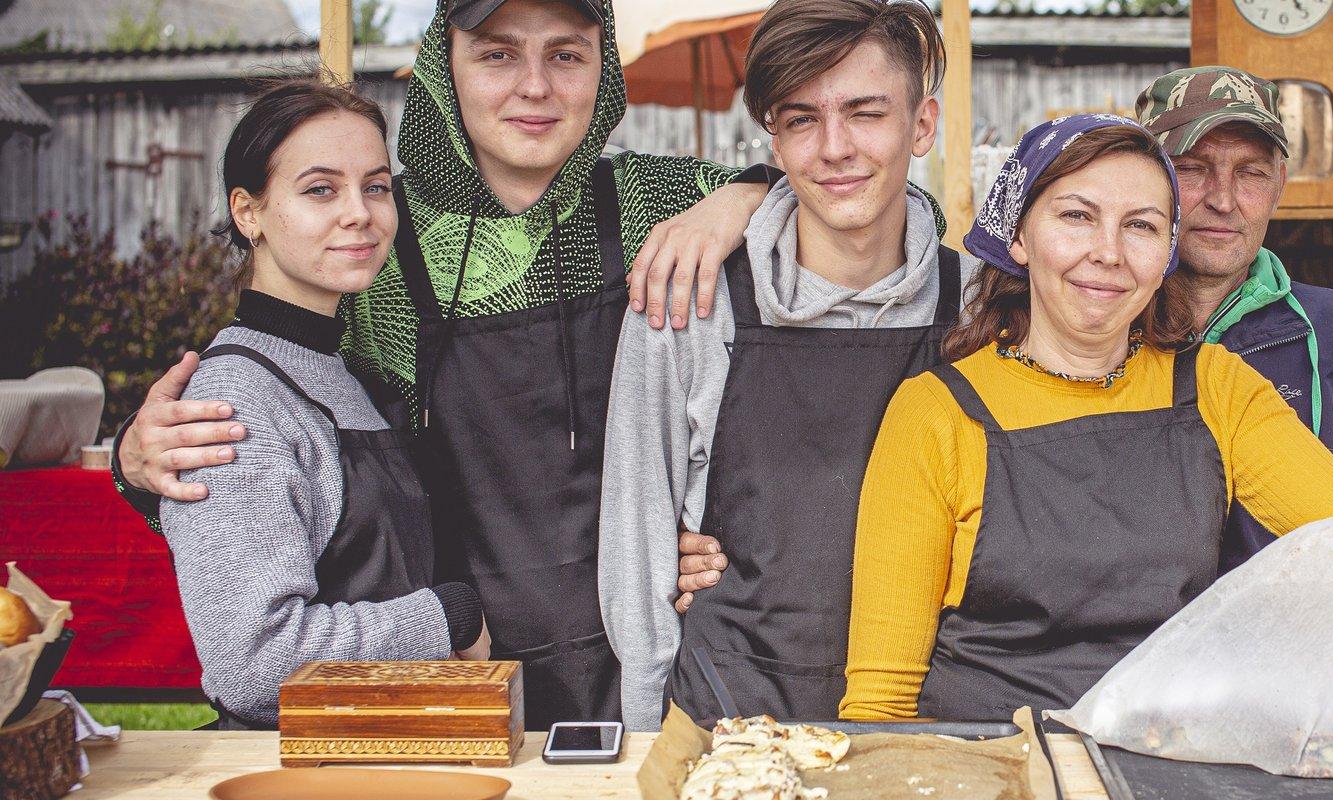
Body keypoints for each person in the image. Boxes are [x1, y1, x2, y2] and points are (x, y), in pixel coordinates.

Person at [112, 0, 780, 726]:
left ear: (603, 67)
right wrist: (140, 461)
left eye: (566, 54)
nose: (535, 87)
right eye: (496, 54)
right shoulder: (374, 244)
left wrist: (754, 194)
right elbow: (283, 422)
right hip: (458, 676)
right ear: (444, 63)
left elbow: (878, 219)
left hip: (652, 656)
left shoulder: (666, 203)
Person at [839, 115, 1333, 735]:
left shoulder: (1213, 388)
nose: (1107, 254)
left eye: (1140, 226)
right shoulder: (936, 414)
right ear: (1019, 236)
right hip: (993, 765)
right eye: (1077, 217)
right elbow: (881, 693)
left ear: (1166, 251)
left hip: (1169, 757)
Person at [599, 0, 978, 726]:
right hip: (730, 722)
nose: (834, 147)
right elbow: (637, 551)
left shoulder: (979, 311)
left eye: (865, 113)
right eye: (801, 118)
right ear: (773, 140)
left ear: (922, 125)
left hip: (933, 722)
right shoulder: (690, 304)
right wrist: (651, 745)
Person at [164, 80, 488, 730]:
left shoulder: (339, 371)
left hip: (387, 750)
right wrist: (445, 615)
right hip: (297, 768)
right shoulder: (236, 401)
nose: (359, 213)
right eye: (320, 189)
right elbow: (253, 666)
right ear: (248, 212)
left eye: (374, 186)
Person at [1137, 67, 1333, 574]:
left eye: (1251, 173)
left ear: (1279, 183)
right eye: (1192, 168)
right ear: (1146, 180)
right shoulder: (1103, 329)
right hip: (1134, 649)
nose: (1222, 199)